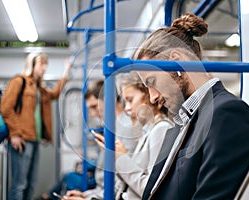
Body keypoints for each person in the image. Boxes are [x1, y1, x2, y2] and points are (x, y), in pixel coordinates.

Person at [131, 13, 249, 199]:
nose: (152, 98)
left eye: (152, 82)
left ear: (176, 60)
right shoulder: (183, 122)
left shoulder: (226, 114)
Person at [63, 71, 174, 200]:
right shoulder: (148, 131)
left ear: (147, 94)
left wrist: (120, 158)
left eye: (130, 100)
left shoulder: (161, 130)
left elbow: (152, 189)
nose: (127, 108)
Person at [0, 52, 72, 200]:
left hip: (34, 139)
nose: (44, 68)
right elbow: (6, 108)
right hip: (21, 139)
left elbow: (55, 94)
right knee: (19, 184)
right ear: (31, 64)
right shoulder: (19, 81)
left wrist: (66, 70)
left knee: (30, 183)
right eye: (41, 64)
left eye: (46, 65)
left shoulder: (39, 89)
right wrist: (14, 134)